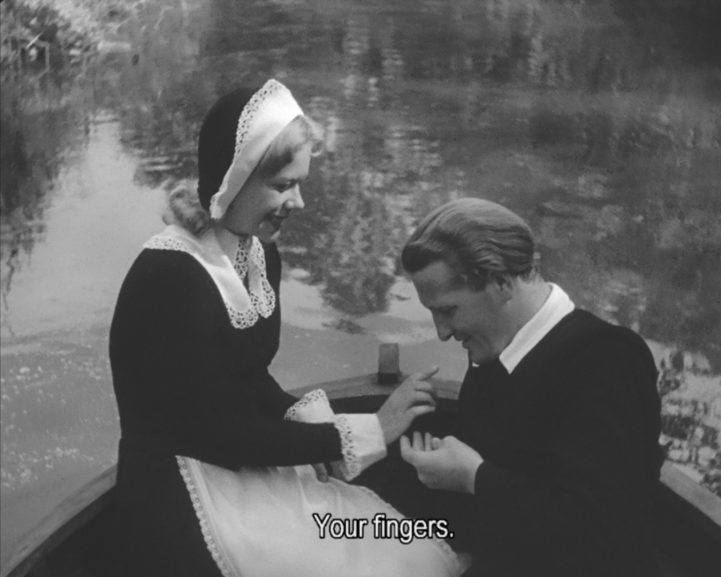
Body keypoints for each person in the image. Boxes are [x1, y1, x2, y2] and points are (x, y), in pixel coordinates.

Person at [108, 79, 463, 577]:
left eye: (299, 184)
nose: (298, 202)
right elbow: (217, 432)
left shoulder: (257, 251)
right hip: (180, 487)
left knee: (402, 549)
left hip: (239, 463)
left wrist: (324, 429)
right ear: (234, 179)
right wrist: (361, 433)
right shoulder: (170, 276)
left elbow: (247, 381)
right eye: (282, 185)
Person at [397, 197, 664, 577]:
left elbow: (604, 535)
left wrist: (475, 478)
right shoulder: (497, 348)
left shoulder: (606, 361)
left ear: (502, 282)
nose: (441, 332)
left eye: (448, 310)